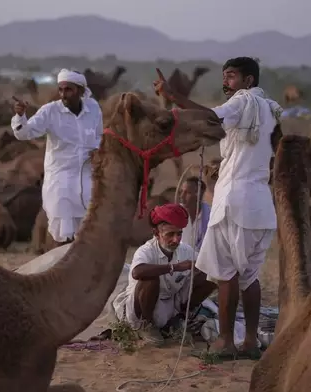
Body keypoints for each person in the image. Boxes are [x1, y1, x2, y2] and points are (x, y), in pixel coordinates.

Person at [153, 56, 280, 360]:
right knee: (249, 276)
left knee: (226, 275)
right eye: (224, 76)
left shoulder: (243, 101)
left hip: (234, 202)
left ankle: (225, 343)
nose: (226, 82)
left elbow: (209, 117)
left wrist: (173, 97)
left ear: (249, 81)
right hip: (261, 205)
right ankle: (250, 342)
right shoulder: (271, 109)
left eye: (232, 76)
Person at [11, 69, 102, 244]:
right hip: (61, 180)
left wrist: (97, 150)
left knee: (89, 232)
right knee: (63, 232)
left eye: (68, 89)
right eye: (61, 90)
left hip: (87, 177)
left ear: (81, 90)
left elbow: (99, 136)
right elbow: (25, 133)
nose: (63, 95)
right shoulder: (50, 111)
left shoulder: (93, 109)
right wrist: (20, 116)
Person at [112, 203, 217, 346]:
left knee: (210, 276)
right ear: (156, 234)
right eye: (170, 234)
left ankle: (180, 319)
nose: (176, 240)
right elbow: (137, 272)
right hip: (141, 309)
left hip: (171, 305)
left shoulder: (184, 250)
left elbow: (205, 264)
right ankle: (147, 327)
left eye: (179, 234)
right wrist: (176, 267)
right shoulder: (146, 251)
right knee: (150, 279)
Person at [179, 176, 211, 250]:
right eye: (182, 192)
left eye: (187, 192)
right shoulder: (174, 214)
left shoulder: (211, 217)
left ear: (199, 194)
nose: (182, 196)